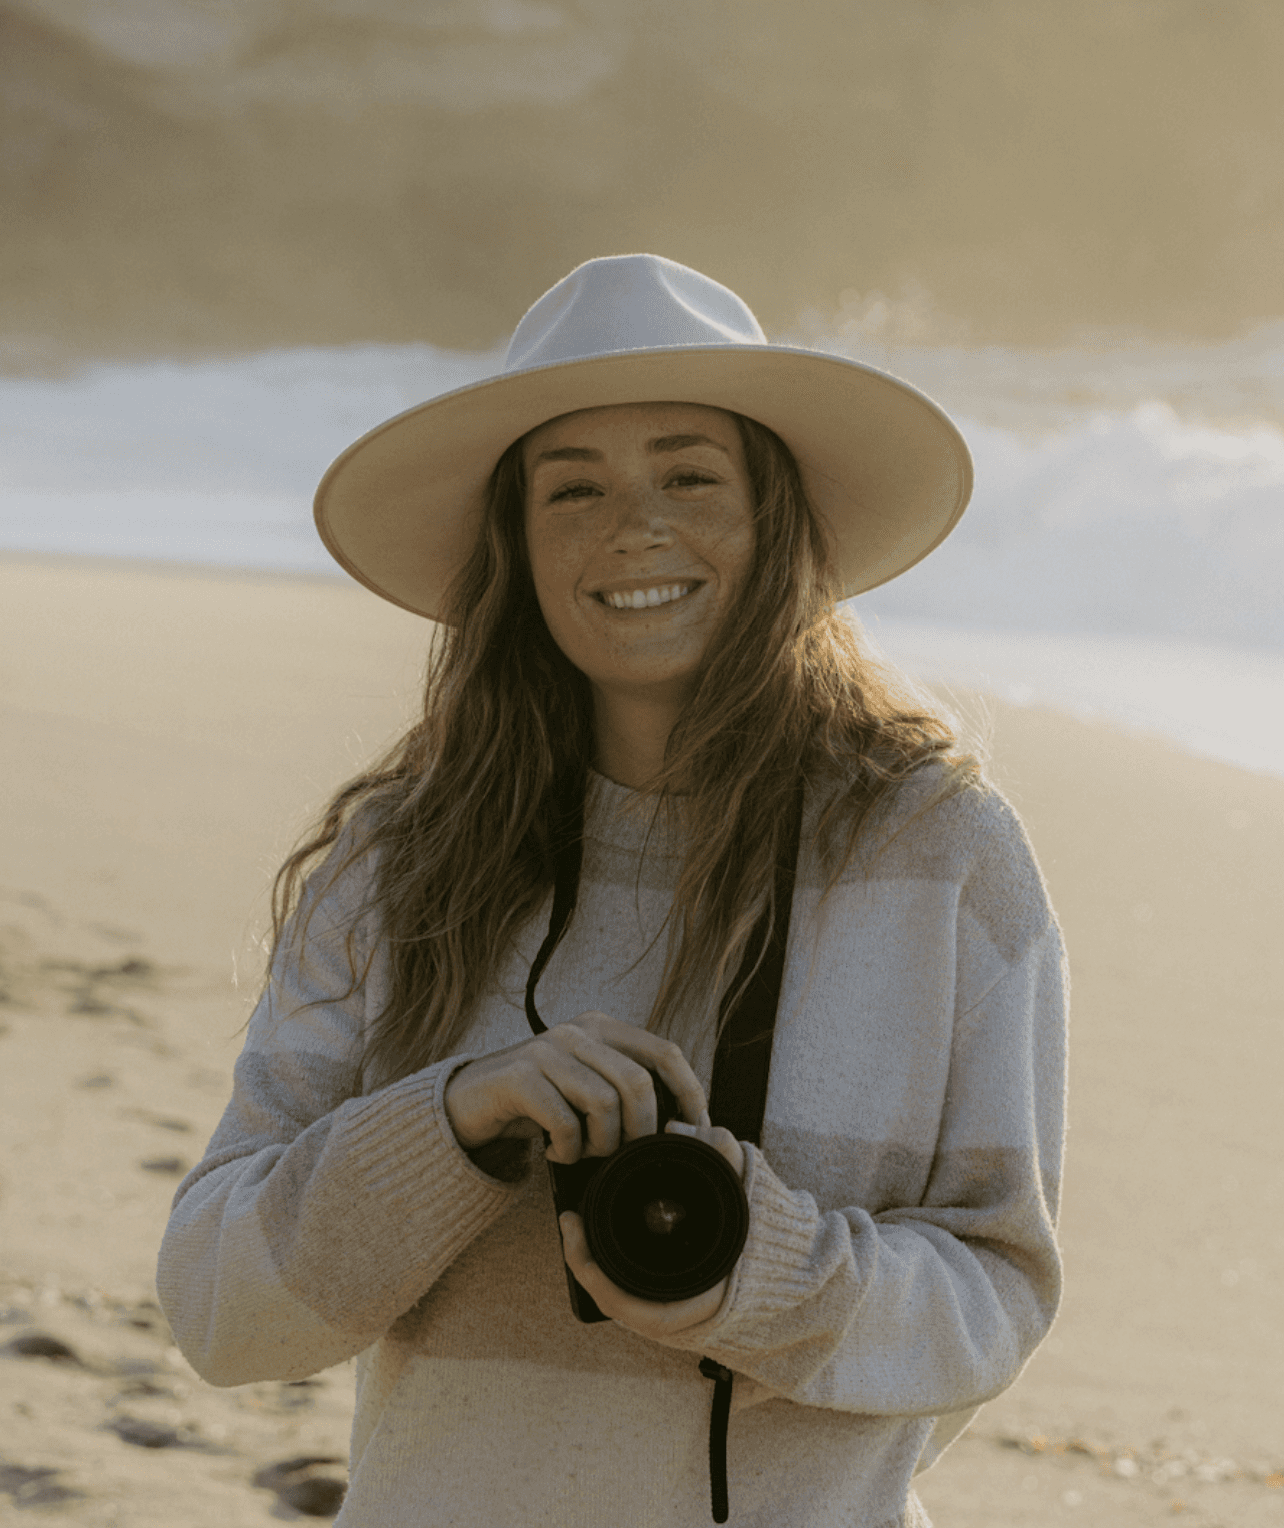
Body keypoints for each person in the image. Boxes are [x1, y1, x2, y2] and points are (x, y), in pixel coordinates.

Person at [157, 254, 1068, 1528]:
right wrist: (457, 1124)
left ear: (777, 516)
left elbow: (996, 1300)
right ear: (515, 548)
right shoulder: (397, 866)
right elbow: (216, 1308)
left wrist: (764, 1268)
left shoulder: (937, 856)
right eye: (570, 489)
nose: (634, 526)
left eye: (689, 474)